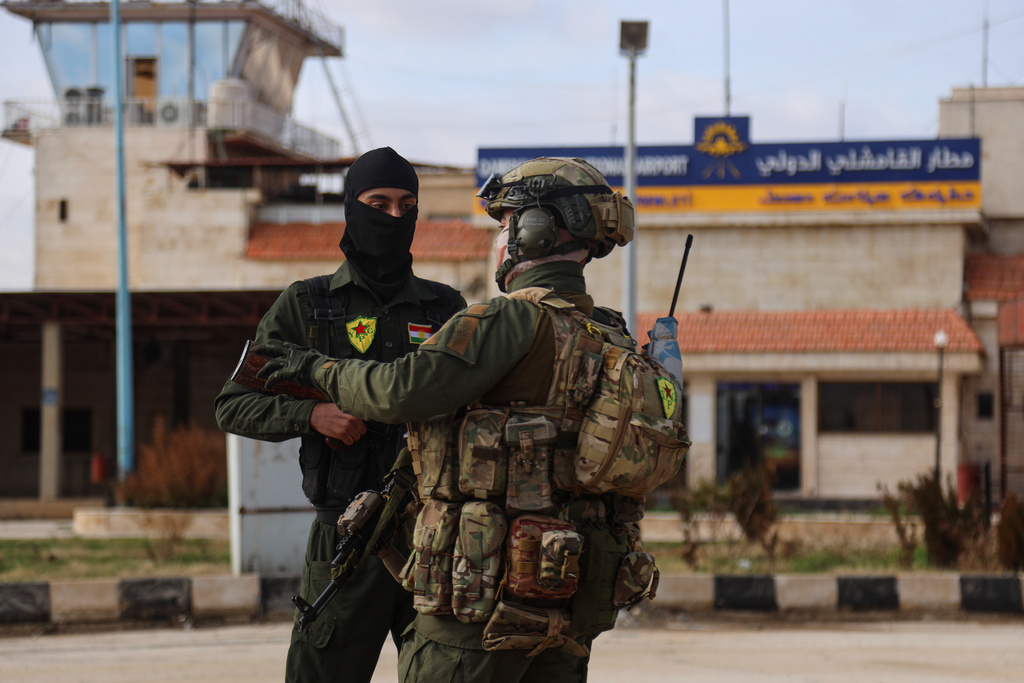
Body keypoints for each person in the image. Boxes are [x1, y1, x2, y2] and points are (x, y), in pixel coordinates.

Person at [254, 157, 686, 683]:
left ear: (535, 230)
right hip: (565, 600)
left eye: (507, 224)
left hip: (482, 602)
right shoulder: (611, 336)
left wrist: (313, 366)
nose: (501, 238)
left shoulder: (505, 320)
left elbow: (396, 392)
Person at [214, 146, 466, 683]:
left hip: (438, 538)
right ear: (352, 207)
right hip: (347, 539)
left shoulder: (446, 309)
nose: (394, 218)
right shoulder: (307, 306)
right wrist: (312, 417)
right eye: (379, 203)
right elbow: (233, 403)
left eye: (407, 205)